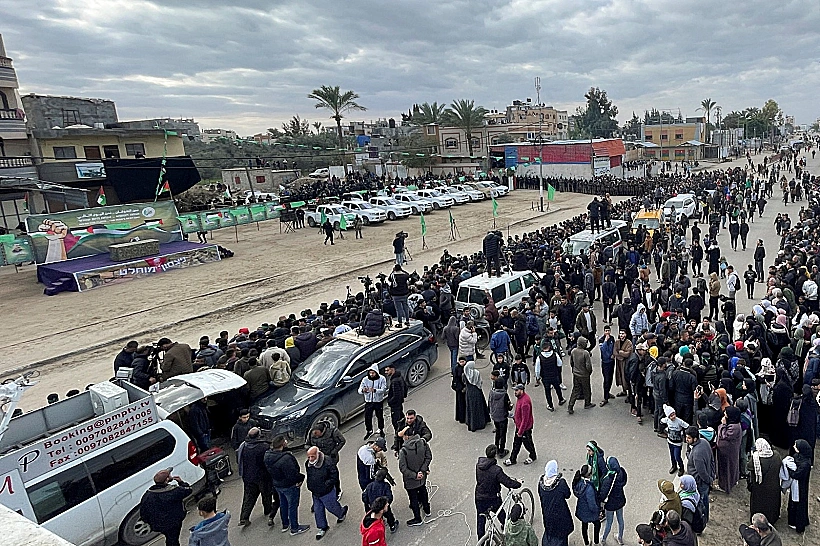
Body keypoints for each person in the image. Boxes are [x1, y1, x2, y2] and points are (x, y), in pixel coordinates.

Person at [264, 435, 310, 535]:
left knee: (283, 503)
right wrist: (301, 478)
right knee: (293, 506)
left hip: (277, 484)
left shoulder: (267, 455)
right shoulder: (286, 458)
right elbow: (292, 474)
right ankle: (295, 528)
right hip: (289, 486)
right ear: (283, 444)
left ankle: (285, 524)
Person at [476, 444, 522, 538]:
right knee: (501, 513)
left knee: (481, 520)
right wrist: (518, 483)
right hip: (492, 498)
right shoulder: (496, 470)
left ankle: (481, 540)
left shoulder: (479, 465)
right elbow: (507, 482)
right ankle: (505, 528)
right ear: (495, 455)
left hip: (479, 497)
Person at [139, 470, 193, 546]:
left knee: (169, 537)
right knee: (173, 540)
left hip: (157, 525)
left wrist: (150, 523)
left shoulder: (148, 495)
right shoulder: (174, 491)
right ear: (167, 479)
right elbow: (188, 490)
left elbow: (143, 512)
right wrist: (181, 482)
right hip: (173, 523)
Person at [305, 446, 348, 540]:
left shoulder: (327, 462)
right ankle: (322, 527)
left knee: (331, 507)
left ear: (317, 454)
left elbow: (334, 475)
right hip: (315, 492)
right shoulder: (308, 464)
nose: (310, 459)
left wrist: (327, 484)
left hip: (326, 491)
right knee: (318, 510)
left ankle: (341, 514)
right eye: (309, 457)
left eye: (312, 456)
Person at [237, 427, 278, 527]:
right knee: (266, 494)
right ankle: (267, 510)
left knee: (248, 497)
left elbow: (238, 460)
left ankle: (244, 517)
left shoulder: (243, 446)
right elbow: (268, 461)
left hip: (248, 477)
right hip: (263, 477)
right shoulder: (263, 447)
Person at [398, 432, 432, 526]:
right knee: (423, 491)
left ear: (406, 436)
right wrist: (422, 470)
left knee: (413, 499)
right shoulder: (423, 443)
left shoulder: (403, 451)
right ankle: (427, 510)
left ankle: (418, 518)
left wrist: (414, 475)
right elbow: (428, 457)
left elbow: (403, 468)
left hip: (410, 481)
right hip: (422, 477)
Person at [745, 438, 781, 524]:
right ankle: (772, 518)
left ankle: (758, 521)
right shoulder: (776, 456)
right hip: (773, 485)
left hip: (759, 487)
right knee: (772, 504)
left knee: (759, 505)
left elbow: (749, 466)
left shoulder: (756, 459)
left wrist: (754, 454)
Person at [538, 460, 573, 546]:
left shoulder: (541, 483)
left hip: (547, 512)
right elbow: (567, 495)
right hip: (560, 513)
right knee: (562, 533)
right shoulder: (561, 483)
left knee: (551, 531)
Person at [685, 426, 714, 523]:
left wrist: (708, 480)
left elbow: (702, 472)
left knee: (700, 503)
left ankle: (702, 521)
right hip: (706, 480)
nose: (686, 439)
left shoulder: (697, 454)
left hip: (700, 482)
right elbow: (712, 460)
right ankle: (706, 518)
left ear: (695, 439)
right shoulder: (704, 442)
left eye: (688, 438)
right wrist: (712, 476)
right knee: (705, 500)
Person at [505, 384, 536, 466]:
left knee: (527, 443)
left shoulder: (525, 402)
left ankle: (532, 456)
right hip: (520, 427)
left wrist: (520, 432)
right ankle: (513, 459)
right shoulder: (520, 398)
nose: (515, 392)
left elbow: (525, 419)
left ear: (521, 390)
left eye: (516, 390)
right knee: (517, 443)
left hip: (524, 428)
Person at [599, 457, 628, 545]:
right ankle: (620, 537)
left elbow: (603, 494)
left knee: (609, 522)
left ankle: (603, 539)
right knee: (620, 520)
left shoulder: (609, 479)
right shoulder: (621, 472)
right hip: (620, 501)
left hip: (610, 504)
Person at [787, 439, 813, 533]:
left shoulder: (805, 464)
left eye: (796, 445)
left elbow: (796, 475)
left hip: (800, 487)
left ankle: (798, 523)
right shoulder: (799, 457)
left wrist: (789, 470)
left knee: (799, 504)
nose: (794, 446)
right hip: (796, 485)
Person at [362, 468, 398, 534]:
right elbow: (390, 497)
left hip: (373, 507)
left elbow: (364, 496)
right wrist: (386, 504)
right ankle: (392, 526)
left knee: (374, 519)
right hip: (383, 506)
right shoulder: (386, 486)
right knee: (389, 516)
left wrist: (369, 503)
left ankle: (377, 530)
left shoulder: (369, 486)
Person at [572, 465, 601, 546]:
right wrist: (598, 511)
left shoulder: (578, 482)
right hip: (590, 512)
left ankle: (587, 543)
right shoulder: (589, 488)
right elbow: (592, 505)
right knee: (597, 524)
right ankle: (596, 542)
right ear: (589, 475)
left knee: (584, 526)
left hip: (582, 509)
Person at [716, 406, 743, 493]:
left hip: (728, 453)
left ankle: (725, 486)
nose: (724, 415)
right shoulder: (733, 423)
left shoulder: (734, 427)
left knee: (726, 469)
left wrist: (723, 424)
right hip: (726, 451)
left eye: (726, 414)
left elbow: (724, 435)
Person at [358, 364, 387, 440]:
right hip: (369, 402)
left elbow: (383, 389)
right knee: (367, 417)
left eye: (373, 373)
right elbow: (359, 390)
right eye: (370, 373)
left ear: (376, 372)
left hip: (378, 401)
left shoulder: (382, 379)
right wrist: (363, 390)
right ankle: (369, 430)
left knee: (379, 416)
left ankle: (381, 429)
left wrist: (375, 390)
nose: (371, 374)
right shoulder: (365, 379)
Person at [567, 336, 594, 414]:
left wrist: (574, 369)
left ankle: (570, 406)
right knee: (587, 390)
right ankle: (587, 403)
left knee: (575, 390)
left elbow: (571, 362)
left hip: (576, 374)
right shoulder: (585, 353)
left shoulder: (573, 351)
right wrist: (589, 372)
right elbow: (588, 365)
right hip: (584, 375)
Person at [534, 342, 565, 411]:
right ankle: (561, 399)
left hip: (545, 377)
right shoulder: (555, 355)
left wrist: (538, 377)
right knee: (557, 388)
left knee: (547, 391)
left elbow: (537, 370)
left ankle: (550, 405)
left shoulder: (539, 357)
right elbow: (560, 364)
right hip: (554, 375)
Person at [661, 404, 689, 477]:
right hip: (670, 441)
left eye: (674, 414)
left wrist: (684, 435)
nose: (673, 417)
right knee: (672, 455)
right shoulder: (667, 420)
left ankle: (681, 468)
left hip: (678, 443)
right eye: (671, 415)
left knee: (677, 456)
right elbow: (662, 421)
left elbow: (687, 426)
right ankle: (674, 466)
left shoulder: (679, 421)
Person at [488, 378, 513, 456]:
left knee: (498, 432)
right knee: (503, 434)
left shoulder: (491, 393)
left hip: (494, 416)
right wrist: (510, 407)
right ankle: (501, 451)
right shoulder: (504, 394)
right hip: (502, 416)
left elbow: (489, 403)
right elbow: (507, 406)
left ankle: (496, 448)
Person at [464, 360, 490, 431]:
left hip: (469, 393)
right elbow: (480, 382)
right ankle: (481, 422)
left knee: (471, 408)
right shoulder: (477, 373)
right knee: (479, 407)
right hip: (477, 392)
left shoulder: (465, 374)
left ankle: (472, 424)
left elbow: (464, 382)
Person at [384, 364, 407, 438]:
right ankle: (405, 431)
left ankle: (398, 437)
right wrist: (404, 396)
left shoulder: (394, 381)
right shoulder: (399, 376)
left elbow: (396, 395)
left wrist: (390, 402)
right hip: (399, 403)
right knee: (401, 417)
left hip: (395, 405)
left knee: (396, 422)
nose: (386, 372)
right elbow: (405, 386)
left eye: (387, 370)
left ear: (392, 369)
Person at [599, 325, 616, 406]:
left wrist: (614, 354)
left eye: (608, 331)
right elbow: (602, 349)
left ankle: (608, 392)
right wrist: (605, 341)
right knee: (606, 380)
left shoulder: (612, 338)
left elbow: (614, 348)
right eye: (606, 331)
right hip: (605, 362)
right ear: (604, 331)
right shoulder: (601, 340)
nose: (607, 332)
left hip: (611, 361)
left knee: (610, 378)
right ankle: (605, 397)